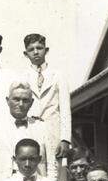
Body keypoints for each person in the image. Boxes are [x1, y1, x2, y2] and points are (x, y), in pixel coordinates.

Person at [0, 82, 52, 181]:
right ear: (8, 101)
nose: (20, 104)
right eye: (16, 99)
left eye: (25, 100)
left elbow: (51, 165)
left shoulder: (41, 127)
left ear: (32, 102)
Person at [21, 33, 71, 168]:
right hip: (31, 129)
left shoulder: (58, 75)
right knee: (33, 169)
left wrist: (65, 139)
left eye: (39, 48)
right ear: (26, 54)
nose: (36, 52)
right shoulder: (22, 77)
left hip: (53, 130)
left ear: (46, 50)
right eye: (31, 49)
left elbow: (65, 109)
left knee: (54, 171)